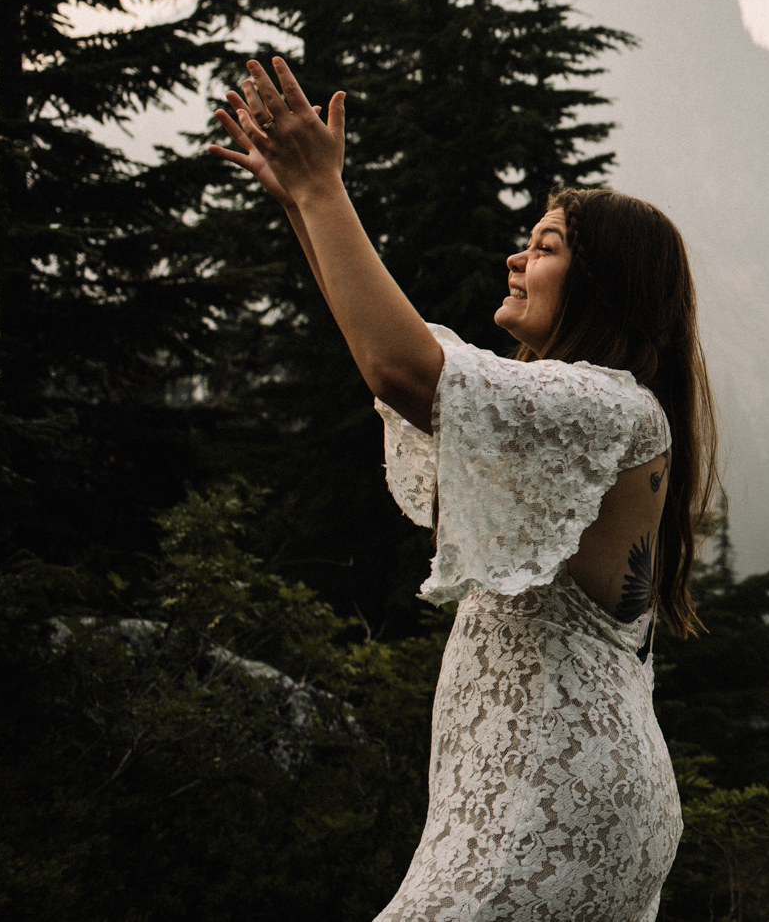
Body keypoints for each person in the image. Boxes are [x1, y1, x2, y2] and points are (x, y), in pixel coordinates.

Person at [209, 57, 716, 921]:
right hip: (558, 792)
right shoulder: (591, 418)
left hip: (548, 800)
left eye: (547, 247)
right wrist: (303, 199)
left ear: (604, 284)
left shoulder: (605, 402)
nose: (516, 258)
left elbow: (404, 365)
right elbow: (389, 357)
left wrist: (324, 191)